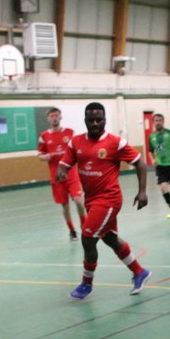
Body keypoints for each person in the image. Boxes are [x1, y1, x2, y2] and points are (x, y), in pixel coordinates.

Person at [57, 102, 151, 299]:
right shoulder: (75, 143)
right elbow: (65, 162)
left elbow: (140, 163)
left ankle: (86, 283)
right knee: (110, 239)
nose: (95, 123)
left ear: (105, 120)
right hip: (91, 200)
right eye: (91, 120)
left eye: (99, 119)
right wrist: (62, 170)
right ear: (85, 121)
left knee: (87, 237)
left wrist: (142, 191)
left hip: (109, 199)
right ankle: (139, 272)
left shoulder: (115, 142)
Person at [38, 107, 86, 241]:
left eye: (56, 115)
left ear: (60, 117)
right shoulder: (44, 136)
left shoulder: (70, 133)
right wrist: (46, 156)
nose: (54, 118)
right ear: (48, 119)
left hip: (71, 173)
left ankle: (85, 226)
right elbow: (39, 156)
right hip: (56, 176)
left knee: (78, 201)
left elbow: (78, 149)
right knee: (64, 205)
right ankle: (72, 230)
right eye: (51, 116)